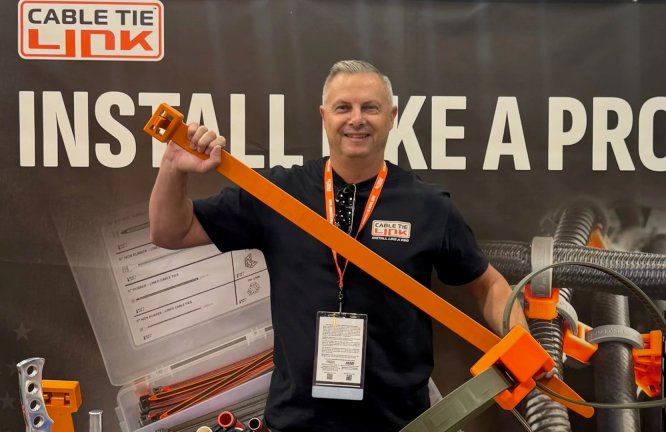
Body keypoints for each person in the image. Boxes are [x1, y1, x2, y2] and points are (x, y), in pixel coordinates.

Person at [149, 60, 526, 432]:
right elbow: (171, 232)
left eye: (370, 108)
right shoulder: (277, 193)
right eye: (343, 107)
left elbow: (488, 284)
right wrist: (173, 167)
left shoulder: (428, 206)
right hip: (297, 422)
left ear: (391, 116)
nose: (356, 119)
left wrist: (521, 345)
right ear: (324, 115)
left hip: (405, 423)